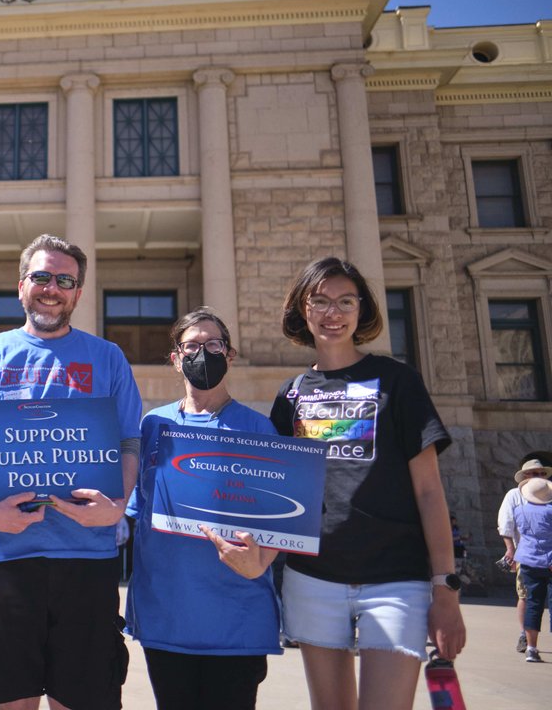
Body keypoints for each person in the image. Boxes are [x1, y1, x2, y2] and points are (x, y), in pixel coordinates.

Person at [0, 234, 141, 710]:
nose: (51, 288)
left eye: (64, 280)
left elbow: (130, 442)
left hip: (87, 556)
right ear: (21, 287)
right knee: (12, 699)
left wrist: (117, 507)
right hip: (4, 556)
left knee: (82, 697)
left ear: (77, 293)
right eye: (41, 277)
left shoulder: (107, 358)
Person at [270, 257, 466, 710]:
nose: (332, 313)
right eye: (319, 301)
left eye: (345, 301)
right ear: (303, 309)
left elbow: (429, 491)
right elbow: (280, 496)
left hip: (394, 580)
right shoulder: (291, 394)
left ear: (362, 311)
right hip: (313, 577)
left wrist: (446, 590)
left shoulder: (398, 381)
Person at [126, 308, 281, 710]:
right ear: (176, 358)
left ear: (229, 355)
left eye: (213, 345)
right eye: (192, 346)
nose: (203, 353)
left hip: (235, 618)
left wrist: (263, 560)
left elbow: (282, 521)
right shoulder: (152, 425)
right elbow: (135, 511)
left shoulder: (258, 429)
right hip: (166, 613)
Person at [499, 454, 552, 658]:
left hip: (528, 556)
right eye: (533, 474)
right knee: (525, 596)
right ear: (524, 477)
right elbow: (506, 525)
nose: (538, 476)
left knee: (531, 600)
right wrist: (510, 549)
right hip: (527, 555)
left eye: (541, 473)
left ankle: (530, 644)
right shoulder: (514, 496)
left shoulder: (526, 506)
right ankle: (524, 634)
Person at [512, 475, 552, 662]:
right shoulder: (550, 511)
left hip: (528, 562)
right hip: (549, 561)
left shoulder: (519, 510)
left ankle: (531, 648)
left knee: (533, 604)